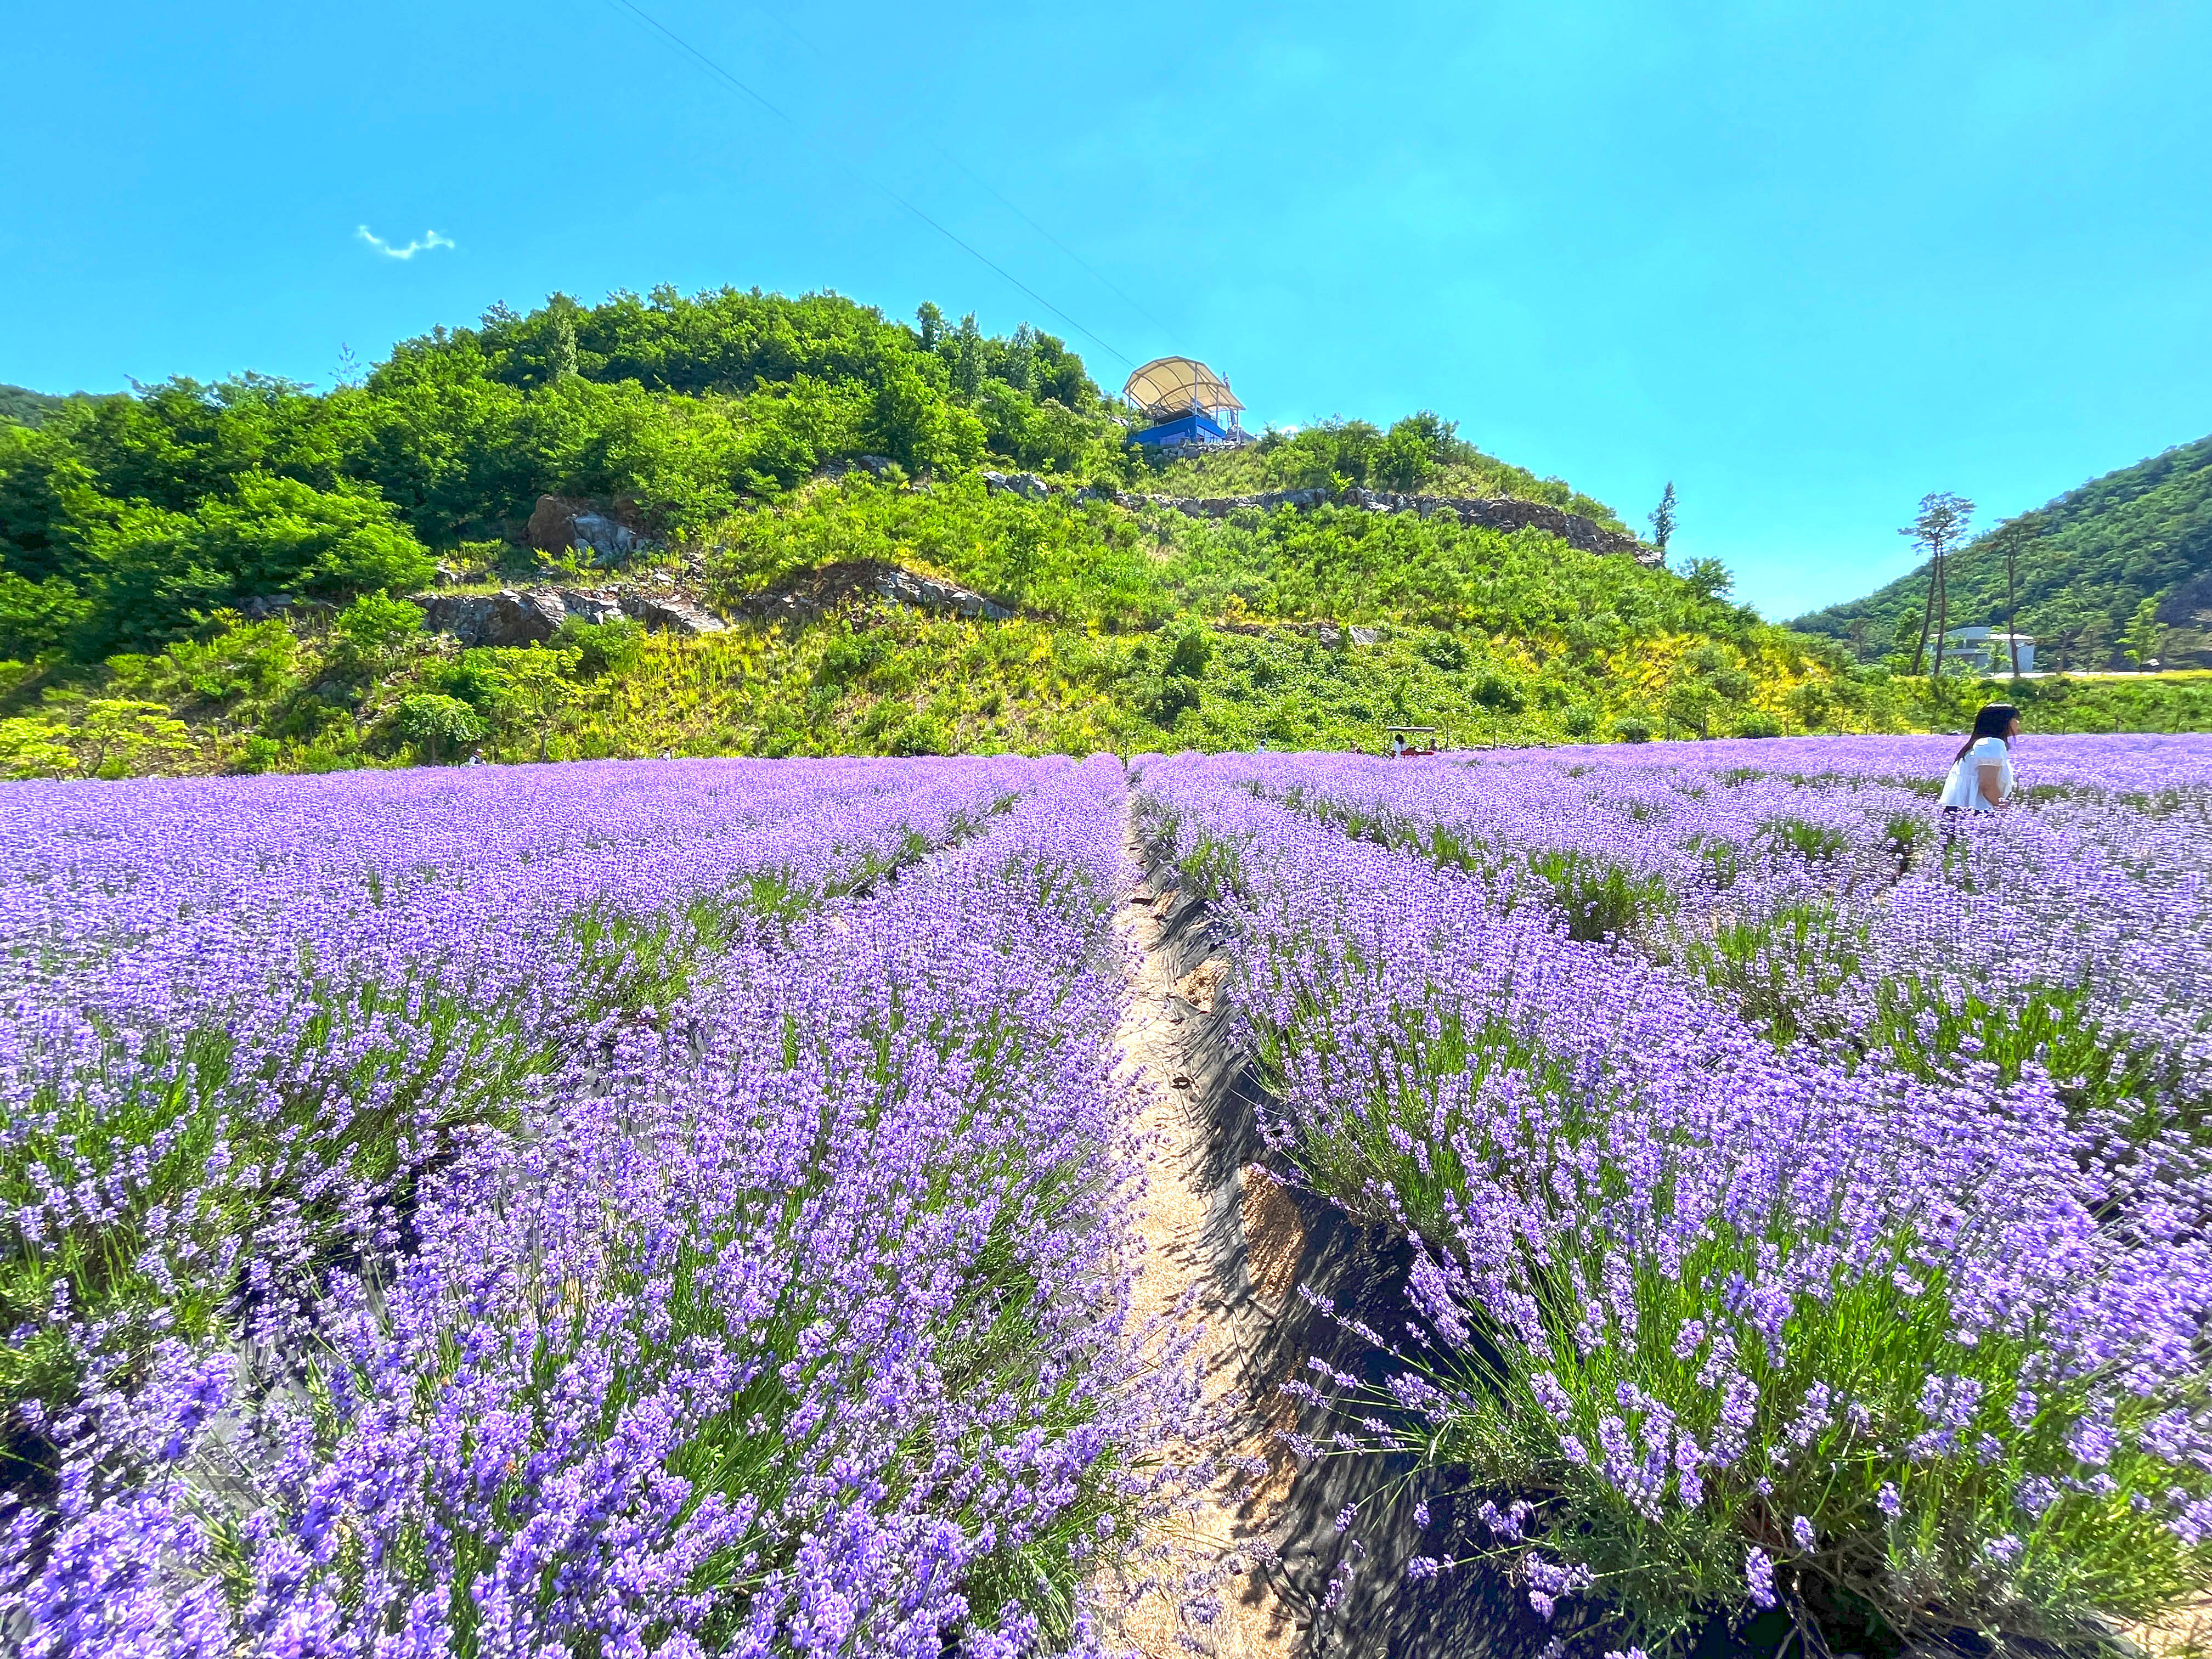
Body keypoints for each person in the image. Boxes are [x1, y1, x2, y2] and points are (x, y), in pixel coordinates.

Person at [1938, 703, 2019, 815]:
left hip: (1961, 810)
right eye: (2014, 719)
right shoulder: (1992, 743)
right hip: (1977, 812)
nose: (2018, 723)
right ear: (2003, 723)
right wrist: (2005, 810)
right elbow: (1987, 786)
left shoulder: (1983, 743)